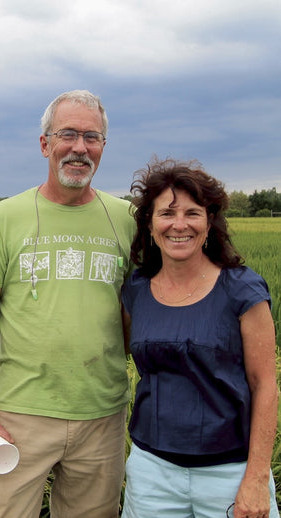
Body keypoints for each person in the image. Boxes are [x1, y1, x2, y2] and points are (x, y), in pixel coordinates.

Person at [0, 89, 135, 518]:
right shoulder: (4, 218)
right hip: (19, 415)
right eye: (68, 135)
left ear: (103, 148)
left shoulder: (128, 218)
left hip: (102, 415)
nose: (80, 148)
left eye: (91, 137)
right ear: (45, 145)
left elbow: (140, 310)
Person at [121, 158, 279, 518]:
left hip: (230, 471)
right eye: (167, 213)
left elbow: (265, 384)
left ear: (209, 224)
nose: (179, 225)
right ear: (150, 223)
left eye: (192, 213)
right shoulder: (136, 290)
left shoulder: (242, 290)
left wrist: (256, 477)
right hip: (152, 472)